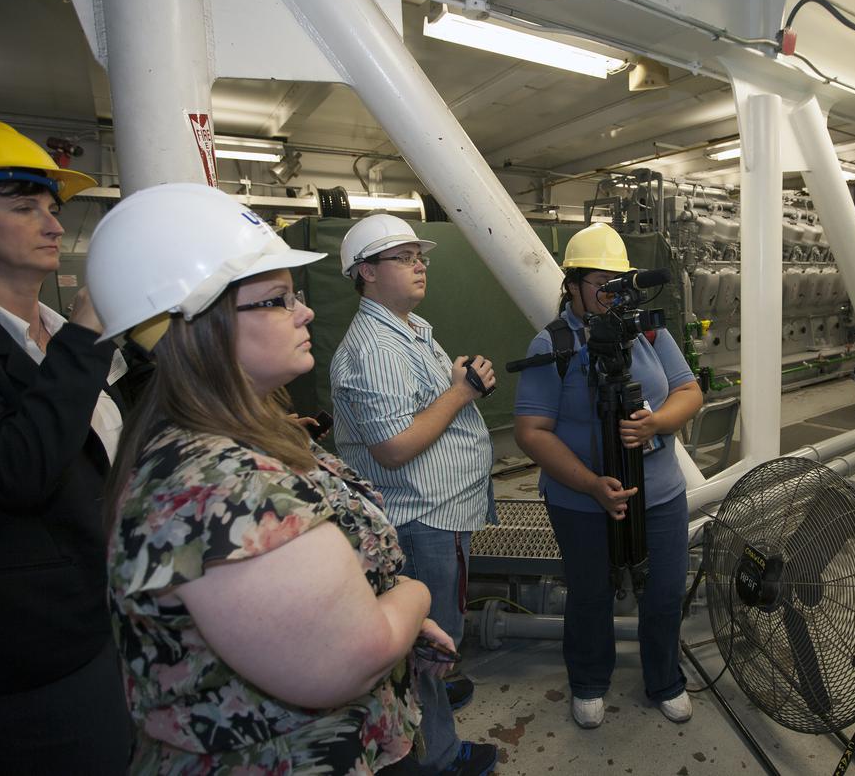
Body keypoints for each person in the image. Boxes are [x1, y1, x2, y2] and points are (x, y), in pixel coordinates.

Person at [87, 183, 454, 774]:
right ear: (198, 325)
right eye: (278, 299)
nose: (305, 310)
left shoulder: (243, 438)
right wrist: (410, 599)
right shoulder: (218, 481)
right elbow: (349, 658)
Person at [0, 118, 134, 774]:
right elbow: (17, 468)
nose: (53, 224)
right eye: (24, 207)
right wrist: (87, 333)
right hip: (32, 657)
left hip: (105, 620)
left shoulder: (56, 334)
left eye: (53, 209)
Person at [512, 223, 704, 729]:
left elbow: (689, 391)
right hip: (580, 499)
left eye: (619, 283)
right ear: (571, 284)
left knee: (663, 592)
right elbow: (531, 431)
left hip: (659, 493)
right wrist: (589, 484)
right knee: (591, 592)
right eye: (600, 283)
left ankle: (665, 679)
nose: (611, 295)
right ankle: (590, 682)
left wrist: (657, 422)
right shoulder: (552, 342)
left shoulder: (647, 332)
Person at [330, 214, 499, 776]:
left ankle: (430, 708)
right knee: (428, 640)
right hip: (422, 518)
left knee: (429, 640)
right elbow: (396, 447)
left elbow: (425, 407)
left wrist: (455, 385)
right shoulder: (375, 346)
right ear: (366, 273)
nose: (420, 262)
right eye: (403, 257)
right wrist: (462, 391)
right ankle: (439, 756)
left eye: (418, 254)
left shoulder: (410, 328)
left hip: (440, 511)